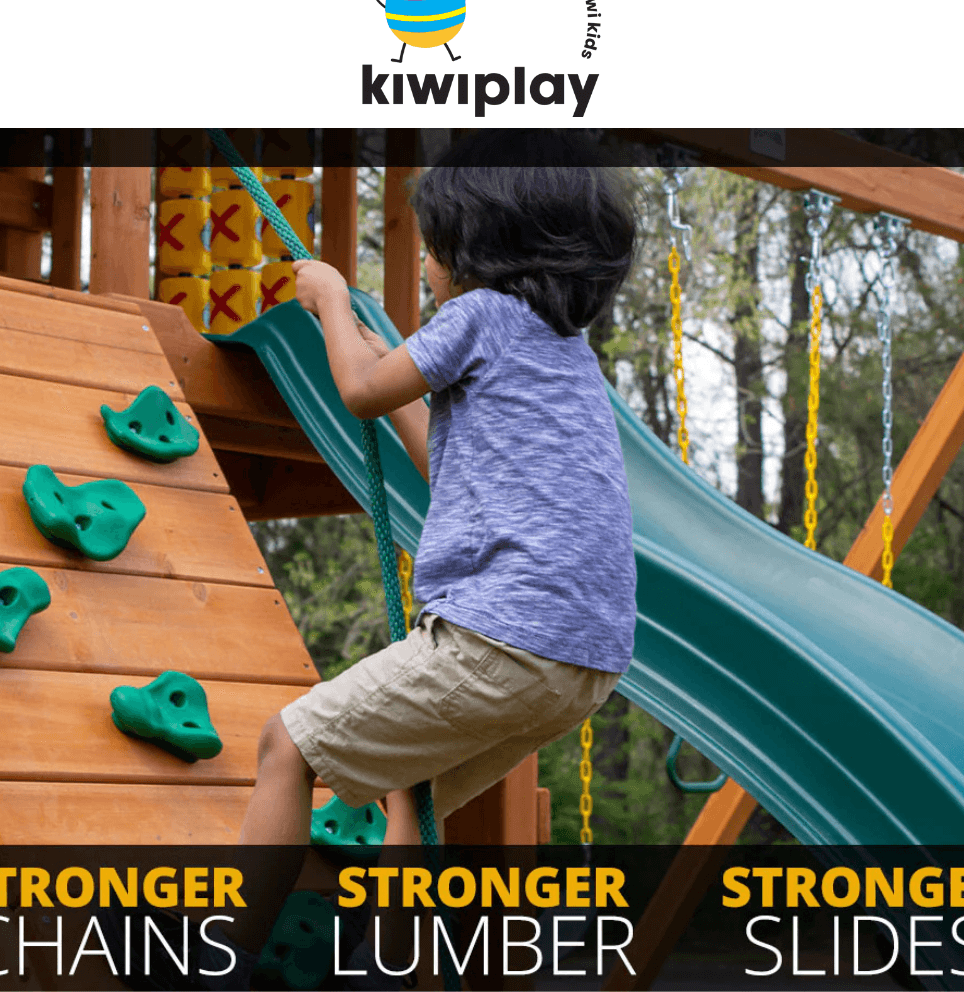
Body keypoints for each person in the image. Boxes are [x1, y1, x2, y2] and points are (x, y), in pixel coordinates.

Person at [167, 131, 639, 990]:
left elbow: (356, 388)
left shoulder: (479, 315)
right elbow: (441, 463)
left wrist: (332, 301)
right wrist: (395, 376)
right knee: (407, 800)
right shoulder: (566, 355)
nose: (423, 262)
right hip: (584, 662)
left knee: (286, 746)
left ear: (476, 247)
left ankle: (218, 966)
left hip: (503, 636)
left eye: (431, 246)